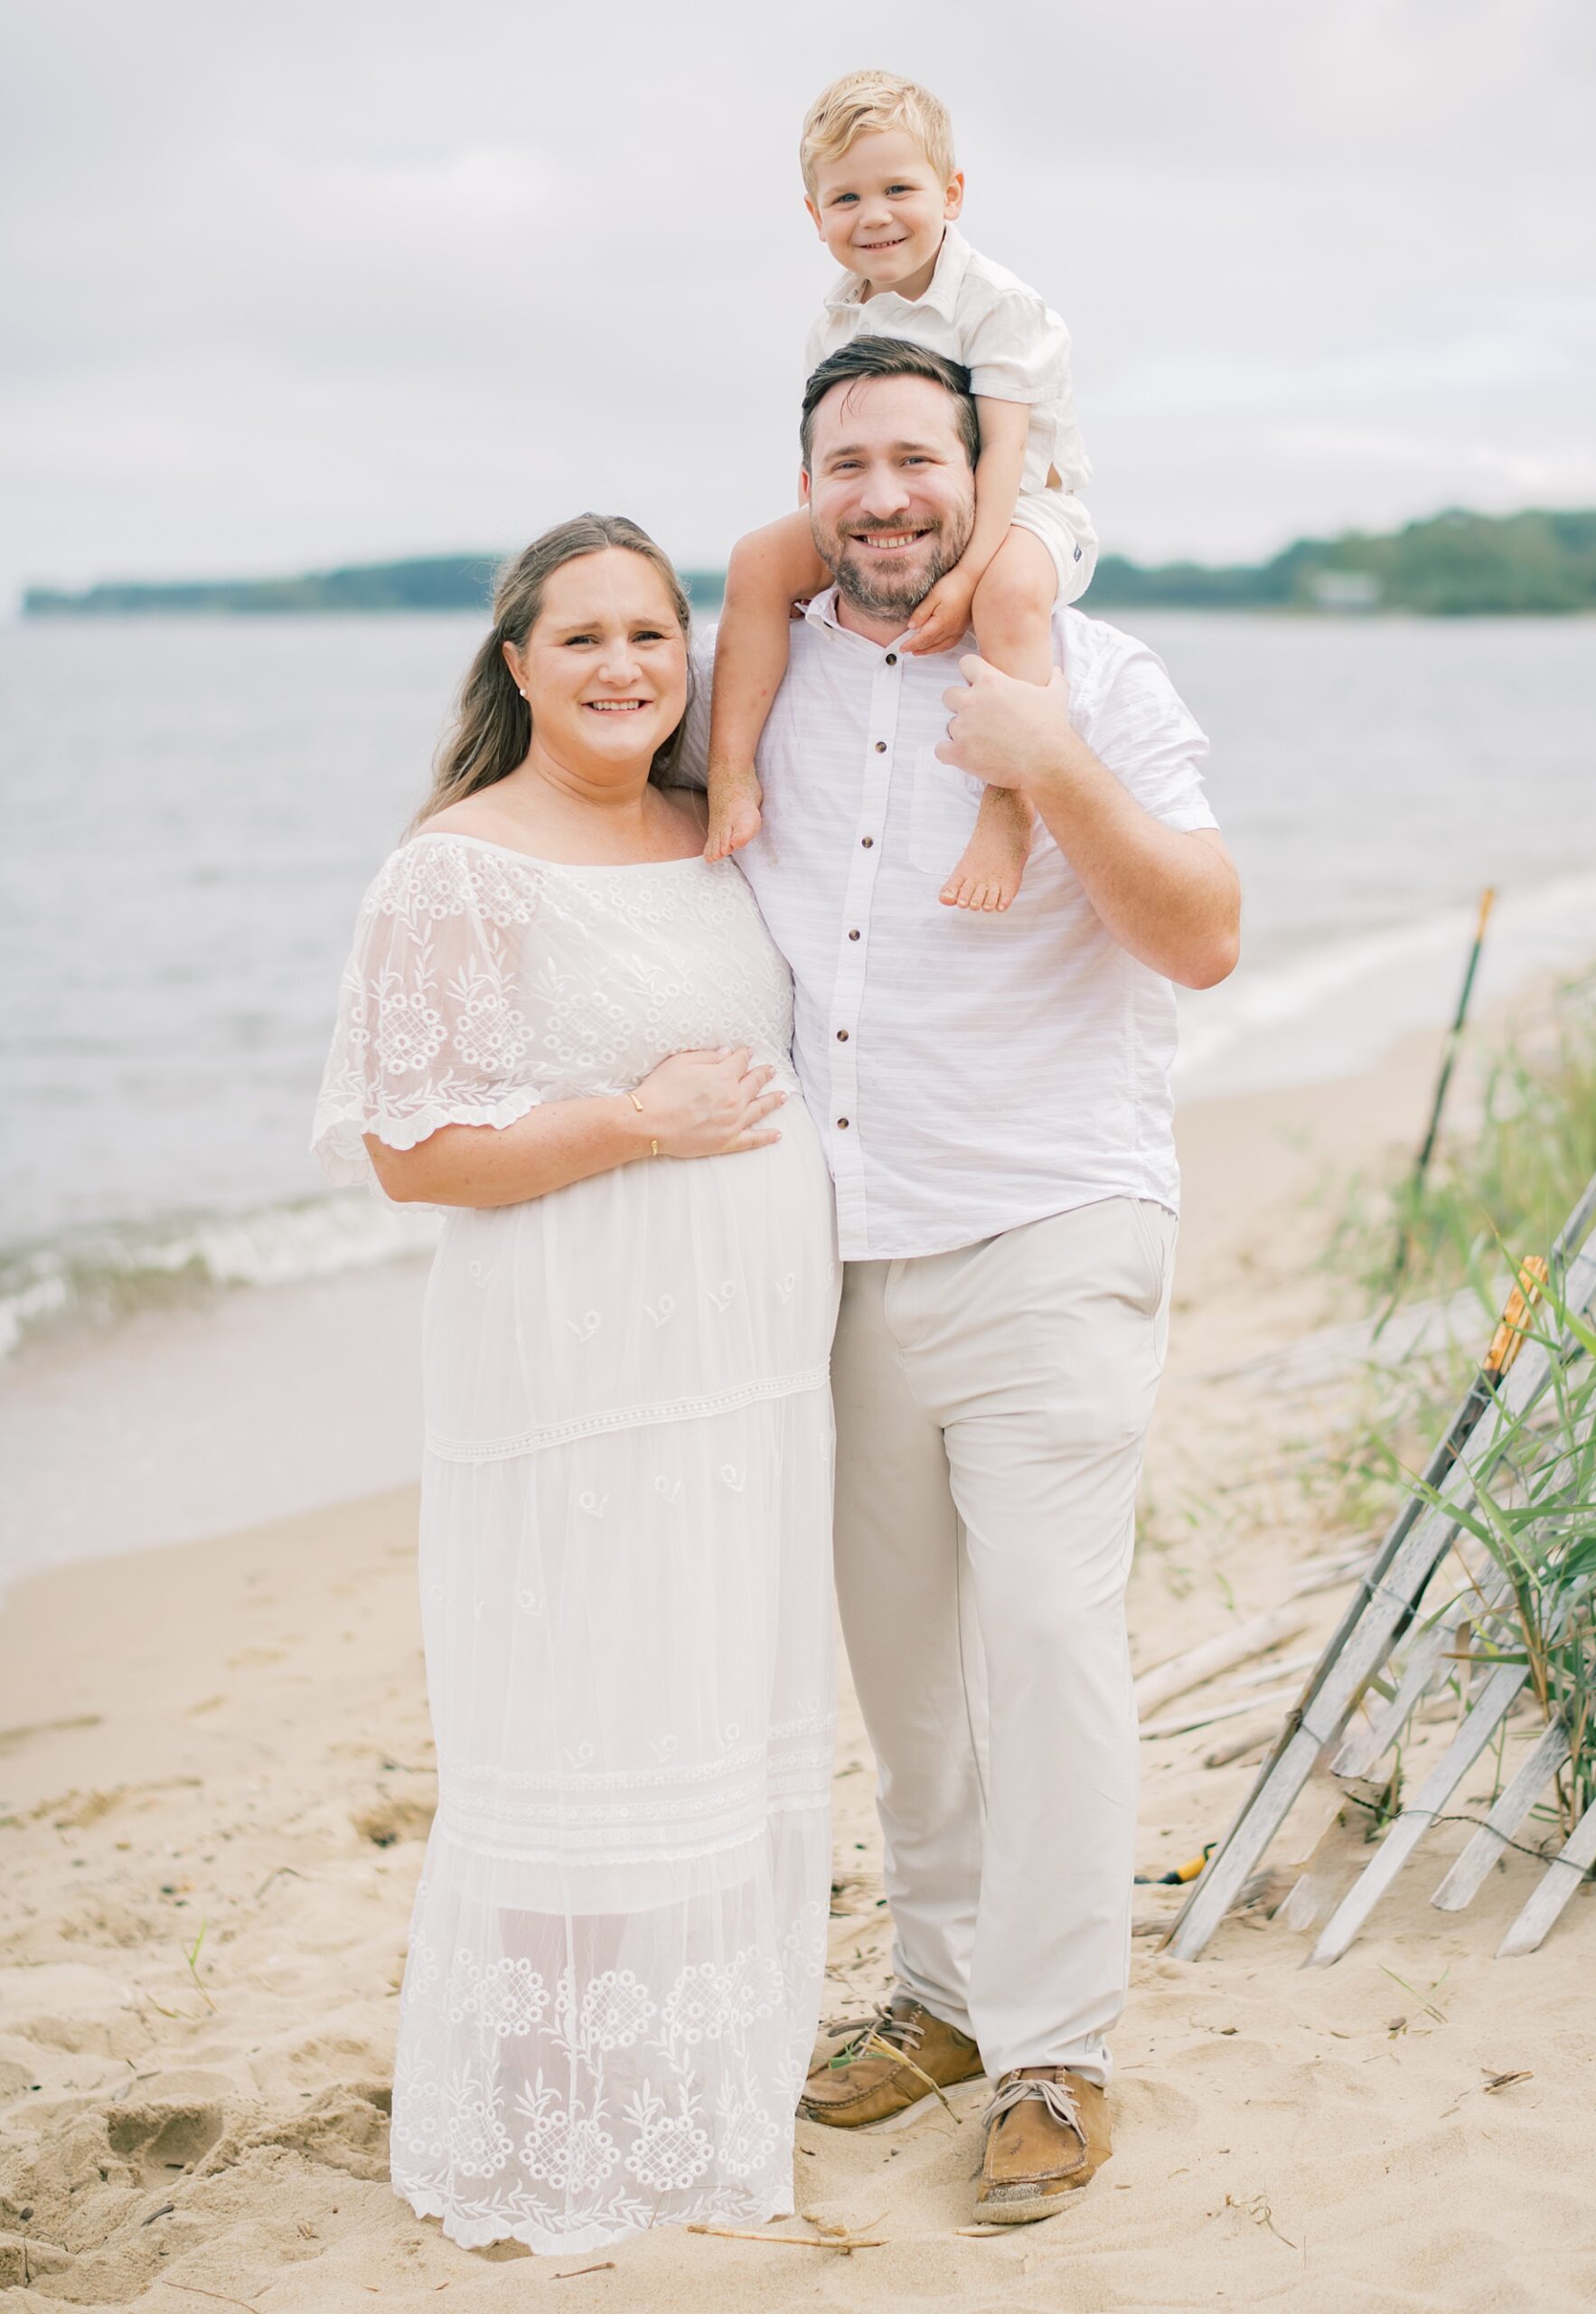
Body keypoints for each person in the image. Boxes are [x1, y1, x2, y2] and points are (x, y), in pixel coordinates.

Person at [676, 337, 1239, 2225]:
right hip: (827, 1258)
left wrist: (1052, 760)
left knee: (1052, 1642)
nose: (887, 494)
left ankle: (1058, 2044)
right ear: (808, 488)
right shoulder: (760, 679)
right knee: (904, 1661)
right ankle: (935, 1986)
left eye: (919, 457)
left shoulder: (1099, 672)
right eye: (849, 463)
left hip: (1049, 1222)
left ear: (981, 475)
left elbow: (1208, 935)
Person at [311, 515, 839, 2256]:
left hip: (744, 1383)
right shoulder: (458, 871)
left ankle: (702, 2083)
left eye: (655, 635)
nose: (625, 667)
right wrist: (636, 1123)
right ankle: (561, 2113)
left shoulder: (721, 833)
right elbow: (411, 1152)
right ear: (518, 665)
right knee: (583, 1696)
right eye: (584, 638)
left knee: (711, 1693)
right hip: (572, 1375)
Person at [704, 67, 1095, 916]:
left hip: (1022, 502)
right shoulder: (836, 321)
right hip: (897, 503)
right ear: (816, 218)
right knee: (755, 562)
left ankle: (1007, 802)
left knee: (1012, 593)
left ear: (951, 192)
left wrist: (961, 580)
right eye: (845, 199)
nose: (874, 216)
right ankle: (730, 773)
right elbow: (834, 449)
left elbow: (1001, 457)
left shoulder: (999, 306)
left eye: (897, 189)